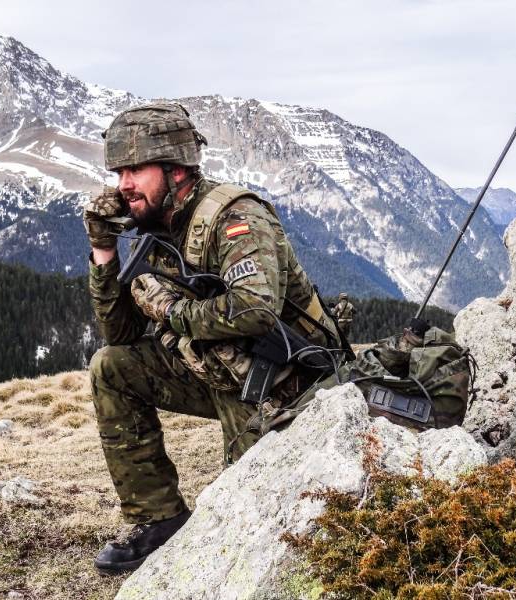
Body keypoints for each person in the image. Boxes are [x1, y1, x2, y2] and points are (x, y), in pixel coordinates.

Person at [83, 103, 340, 573]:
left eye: (135, 169)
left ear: (175, 169)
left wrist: (174, 311)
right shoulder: (152, 228)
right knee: (111, 367)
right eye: (119, 171)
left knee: (253, 533)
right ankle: (159, 519)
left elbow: (256, 309)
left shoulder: (234, 216)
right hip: (218, 373)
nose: (123, 185)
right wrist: (103, 250)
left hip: (283, 382)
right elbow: (120, 334)